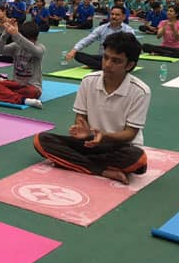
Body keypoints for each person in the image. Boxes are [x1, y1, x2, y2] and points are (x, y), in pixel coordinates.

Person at [33, 32, 149, 185]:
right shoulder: (88, 81)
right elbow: (80, 117)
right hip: (91, 143)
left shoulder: (140, 91)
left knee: (138, 159)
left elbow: (130, 133)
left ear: (129, 65)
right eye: (105, 57)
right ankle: (101, 169)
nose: (107, 64)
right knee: (41, 140)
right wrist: (82, 129)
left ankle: (76, 162)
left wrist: (104, 136)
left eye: (116, 61)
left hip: (121, 147)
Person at [0, 21, 44, 108]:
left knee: (33, 92)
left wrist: (16, 35)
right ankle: (24, 100)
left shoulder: (40, 48)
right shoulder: (16, 46)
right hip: (16, 84)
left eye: (27, 39)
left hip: (31, 87)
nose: (25, 42)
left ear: (36, 38)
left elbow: (33, 49)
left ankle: (4, 93)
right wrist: (5, 33)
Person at [64, 5, 135, 70]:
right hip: (104, 57)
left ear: (124, 17)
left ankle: (101, 65)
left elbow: (131, 49)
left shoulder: (129, 30)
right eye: (112, 14)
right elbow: (88, 39)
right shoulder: (102, 28)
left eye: (117, 15)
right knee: (78, 55)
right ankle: (106, 66)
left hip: (119, 58)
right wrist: (74, 50)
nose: (114, 17)